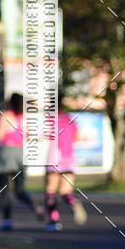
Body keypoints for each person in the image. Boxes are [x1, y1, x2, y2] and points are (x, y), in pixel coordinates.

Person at [0, 92, 42, 231]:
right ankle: (35, 206)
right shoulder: (24, 118)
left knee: (4, 190)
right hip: (21, 154)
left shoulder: (6, 116)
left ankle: (7, 221)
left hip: (7, 153)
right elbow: (30, 136)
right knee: (19, 190)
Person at [44, 96, 86, 231]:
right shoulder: (70, 119)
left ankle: (53, 221)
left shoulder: (50, 120)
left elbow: (44, 136)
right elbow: (77, 137)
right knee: (65, 192)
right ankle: (74, 202)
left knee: (50, 191)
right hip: (69, 159)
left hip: (54, 158)